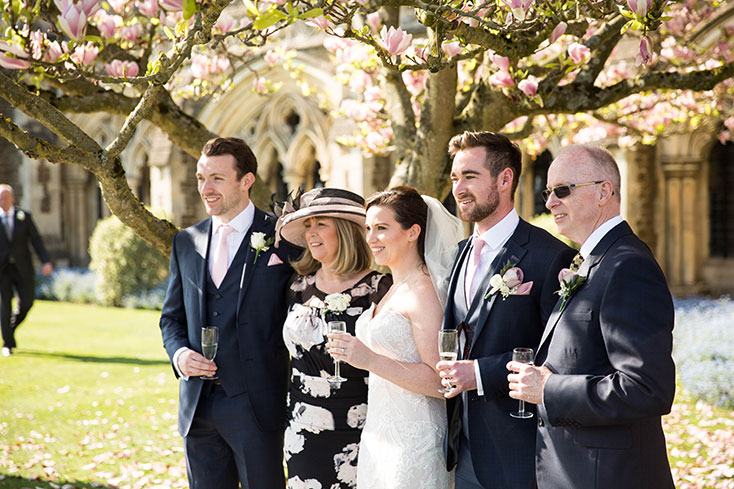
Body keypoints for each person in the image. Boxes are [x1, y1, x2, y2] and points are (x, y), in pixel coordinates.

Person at [507, 144, 676, 489]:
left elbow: (647, 388)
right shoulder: (593, 262)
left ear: (604, 192)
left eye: (563, 190)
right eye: (548, 192)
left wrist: (549, 388)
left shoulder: (628, 265)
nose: (550, 202)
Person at [435, 132, 575, 489]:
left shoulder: (549, 257)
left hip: (518, 450)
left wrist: (480, 373)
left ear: (505, 179)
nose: (458, 188)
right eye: (454, 178)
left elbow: (555, 355)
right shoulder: (460, 254)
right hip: (462, 448)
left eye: (470, 176)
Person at [159, 137, 298, 489]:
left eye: (217, 178)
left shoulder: (282, 238)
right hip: (198, 408)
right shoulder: (185, 242)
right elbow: (171, 318)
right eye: (201, 178)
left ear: (246, 180)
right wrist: (179, 355)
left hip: (256, 406)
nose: (206, 188)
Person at [328, 185, 464, 489]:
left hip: (415, 444)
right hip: (381, 437)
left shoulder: (423, 292)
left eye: (381, 228)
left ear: (413, 231)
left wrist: (369, 359)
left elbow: (441, 382)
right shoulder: (393, 287)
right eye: (368, 228)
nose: (371, 238)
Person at [275, 187, 392, 489]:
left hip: (360, 430)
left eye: (321, 224)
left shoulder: (380, 288)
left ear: (346, 231)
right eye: (308, 226)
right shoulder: (297, 286)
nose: (311, 233)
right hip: (301, 430)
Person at [0, 184, 53, 357]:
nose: (2, 201)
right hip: (3, 271)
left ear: (12, 199)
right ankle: (8, 343)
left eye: (5, 198)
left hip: (23, 268)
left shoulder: (24, 217)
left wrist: (45, 261)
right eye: (0, 198)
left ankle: (10, 330)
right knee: (4, 307)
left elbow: (36, 240)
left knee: (27, 303)